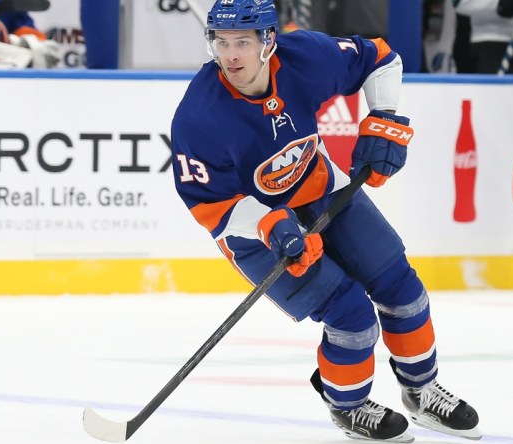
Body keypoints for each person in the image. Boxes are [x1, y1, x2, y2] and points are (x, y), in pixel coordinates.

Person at [170, 0, 481, 442]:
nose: (231, 55)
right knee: (351, 316)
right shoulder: (199, 117)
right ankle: (349, 407)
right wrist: (270, 225)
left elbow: (380, 58)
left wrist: (383, 117)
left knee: (403, 289)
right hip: (257, 230)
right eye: (221, 42)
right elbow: (210, 204)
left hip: (322, 190)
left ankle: (422, 390)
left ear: (268, 42)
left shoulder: (305, 57)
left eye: (242, 42)